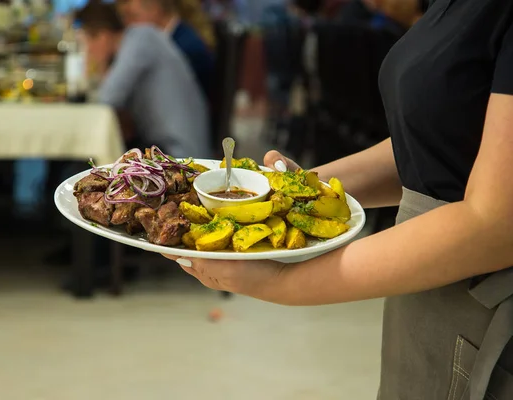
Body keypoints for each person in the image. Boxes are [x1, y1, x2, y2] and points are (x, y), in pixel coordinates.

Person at [164, 0, 513, 398]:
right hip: (426, 282)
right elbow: (436, 142)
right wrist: (297, 190)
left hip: (483, 293)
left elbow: (496, 224)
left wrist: (283, 283)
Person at [76, 1, 212, 158]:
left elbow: (106, 99)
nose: (88, 51)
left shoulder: (141, 38)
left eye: (87, 43)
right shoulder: (140, 39)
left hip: (181, 153)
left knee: (81, 164)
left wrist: (99, 65)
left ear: (102, 36)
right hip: (163, 146)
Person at [115, 0, 215, 99]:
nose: (128, 25)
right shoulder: (174, 38)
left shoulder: (184, 48)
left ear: (154, 9)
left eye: (133, 17)